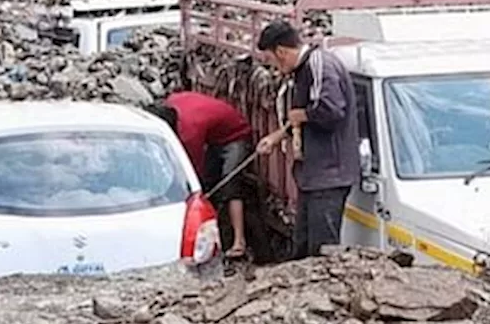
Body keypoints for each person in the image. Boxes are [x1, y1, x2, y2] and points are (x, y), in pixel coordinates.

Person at [255, 20, 359, 259]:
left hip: (329, 174)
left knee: (322, 250)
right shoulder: (301, 70)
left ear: (281, 52)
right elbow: (302, 120)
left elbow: (332, 110)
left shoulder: (319, 65)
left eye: (271, 60)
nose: (274, 68)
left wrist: (302, 114)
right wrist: (278, 136)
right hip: (311, 174)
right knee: (302, 245)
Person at [145, 92, 254, 258]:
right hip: (214, 137)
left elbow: (192, 174)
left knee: (231, 185)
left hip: (236, 134)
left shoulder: (190, 132)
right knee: (211, 185)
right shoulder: (172, 103)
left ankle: (239, 242)